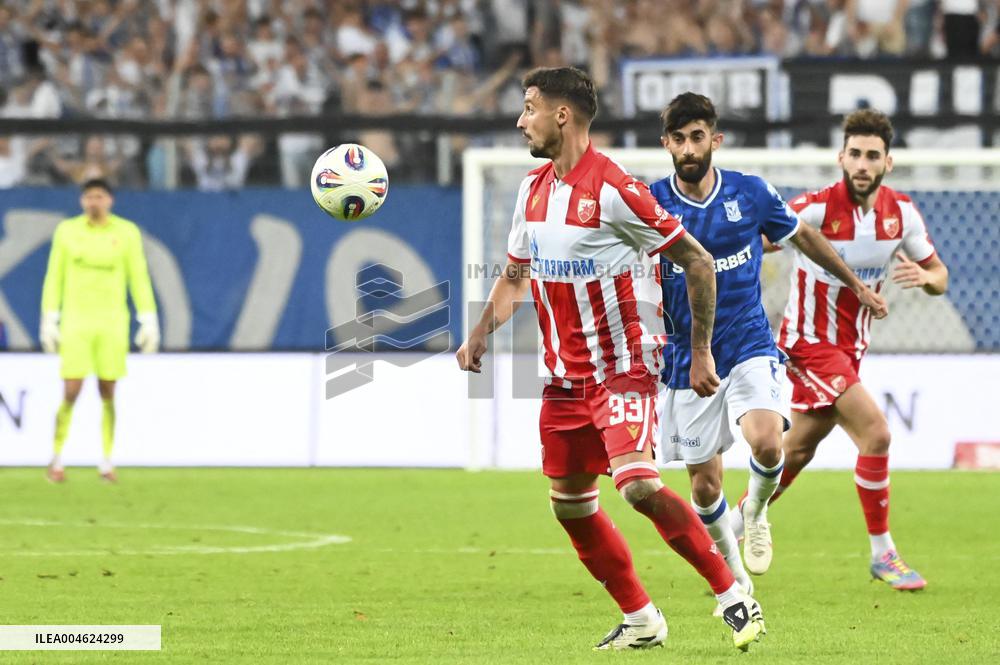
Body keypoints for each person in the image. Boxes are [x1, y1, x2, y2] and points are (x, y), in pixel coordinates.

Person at [456, 67, 765, 652]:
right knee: (570, 507)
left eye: (529, 108)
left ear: (562, 115)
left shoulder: (617, 189)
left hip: (622, 366)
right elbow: (516, 276)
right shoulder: (531, 189)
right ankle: (642, 619)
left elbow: (697, 261)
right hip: (562, 378)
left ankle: (733, 593)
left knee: (637, 485)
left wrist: (699, 351)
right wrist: (479, 332)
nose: (522, 120)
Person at [650, 93, 887, 605]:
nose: (689, 148)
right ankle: (738, 581)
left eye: (698, 137)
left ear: (716, 139)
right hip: (686, 358)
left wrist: (855, 286)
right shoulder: (649, 203)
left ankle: (755, 512)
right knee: (706, 489)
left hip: (749, 341)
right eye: (679, 139)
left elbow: (804, 235)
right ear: (666, 144)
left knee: (766, 442)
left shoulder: (750, 193)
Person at [731, 109, 949, 591]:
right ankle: (882, 553)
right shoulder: (813, 209)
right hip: (808, 344)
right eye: (855, 154)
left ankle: (727, 531)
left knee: (800, 449)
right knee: (876, 434)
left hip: (850, 350)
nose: (863, 163)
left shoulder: (901, 215)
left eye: (873, 155)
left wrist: (926, 278)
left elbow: (939, 274)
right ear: (841, 157)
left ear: (888, 162)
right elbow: (759, 239)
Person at [40, 178, 160, 483]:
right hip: (76, 322)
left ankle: (106, 461)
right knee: (71, 389)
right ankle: (56, 458)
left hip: (112, 322)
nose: (94, 201)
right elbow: (55, 275)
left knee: (108, 390)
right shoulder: (67, 231)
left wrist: (148, 318)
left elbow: (139, 276)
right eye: (89, 196)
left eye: (100, 196)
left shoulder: (126, 232)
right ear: (82, 201)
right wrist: (49, 318)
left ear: (110, 200)